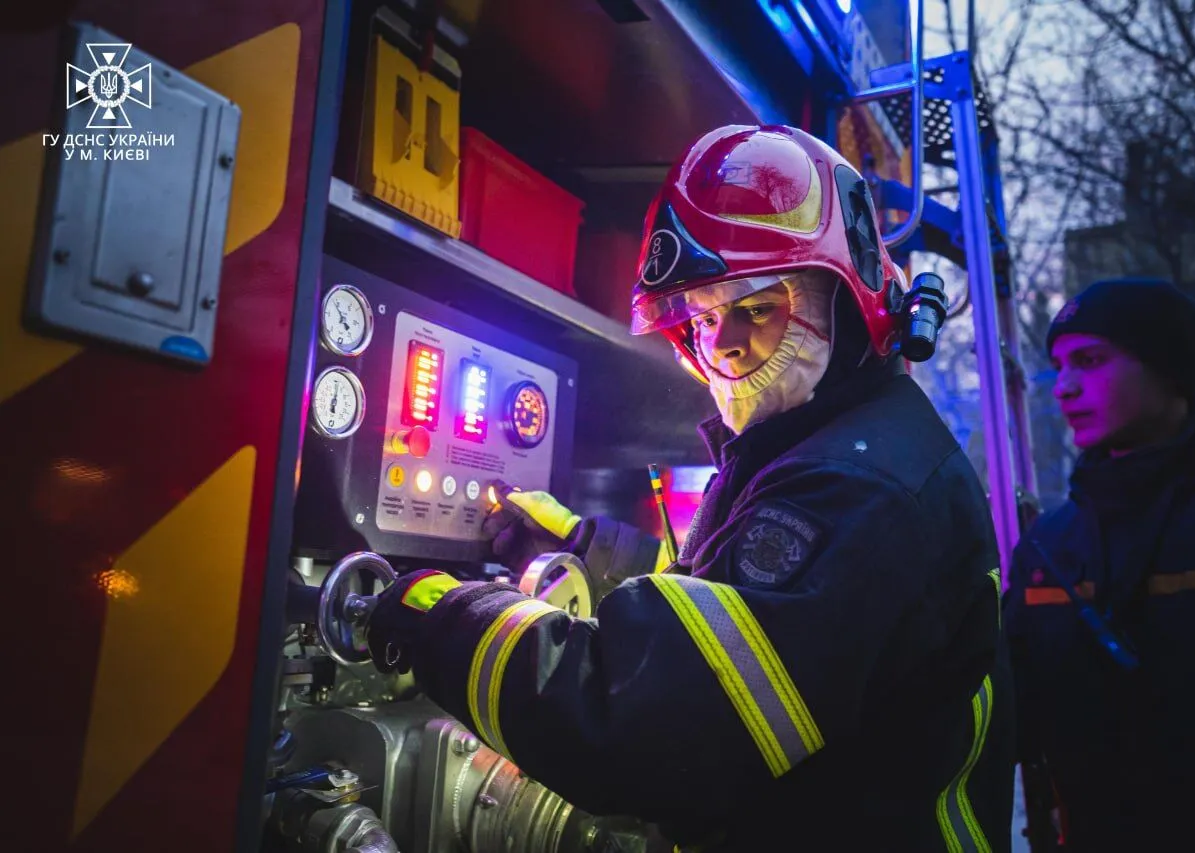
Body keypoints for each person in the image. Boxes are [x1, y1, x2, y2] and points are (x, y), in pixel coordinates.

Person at [366, 124, 1014, 852]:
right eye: (704, 316)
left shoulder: (857, 489)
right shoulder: (840, 445)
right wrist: (592, 549)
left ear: (844, 298)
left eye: (757, 306)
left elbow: (640, 729)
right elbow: (756, 624)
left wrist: (438, 614)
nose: (726, 341)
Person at [1004, 278, 1195, 851]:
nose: (1064, 388)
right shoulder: (1049, 548)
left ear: (1168, 367)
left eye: (1091, 360)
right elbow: (1013, 719)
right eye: (1058, 366)